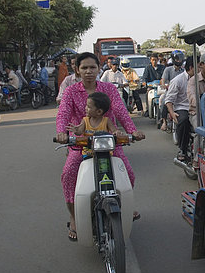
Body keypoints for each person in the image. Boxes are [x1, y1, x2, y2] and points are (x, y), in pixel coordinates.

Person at [56, 52, 145, 241]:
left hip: (108, 142)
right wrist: (62, 133)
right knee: (68, 174)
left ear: (98, 69)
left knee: (128, 173)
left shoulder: (109, 89)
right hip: (81, 144)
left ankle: (126, 206)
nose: (88, 71)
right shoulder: (71, 91)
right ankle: (73, 216)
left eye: (92, 67)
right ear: (77, 70)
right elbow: (63, 114)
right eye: (84, 68)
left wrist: (132, 131)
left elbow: (121, 111)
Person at [65, 92, 120, 158]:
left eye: (88, 107)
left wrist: (117, 132)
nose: (85, 108)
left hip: (104, 151)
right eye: (86, 106)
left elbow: (114, 131)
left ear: (99, 111)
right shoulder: (85, 120)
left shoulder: (106, 121)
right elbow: (79, 132)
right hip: (88, 152)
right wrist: (76, 130)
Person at [165, 56, 196, 160]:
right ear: (191, 67)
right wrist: (172, 113)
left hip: (198, 108)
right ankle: (182, 149)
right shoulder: (178, 80)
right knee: (183, 121)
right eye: (199, 67)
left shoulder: (202, 79)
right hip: (183, 107)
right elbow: (169, 100)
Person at [158, 50, 185, 130]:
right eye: (177, 59)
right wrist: (164, 85)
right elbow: (163, 79)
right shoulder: (168, 69)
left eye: (180, 59)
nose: (179, 60)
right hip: (170, 91)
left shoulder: (184, 70)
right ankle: (164, 122)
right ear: (173, 59)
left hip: (181, 92)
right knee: (164, 102)